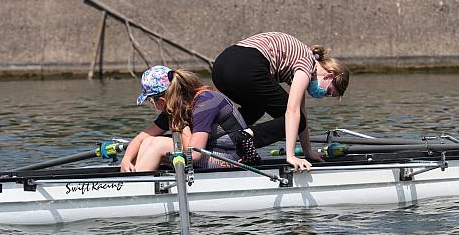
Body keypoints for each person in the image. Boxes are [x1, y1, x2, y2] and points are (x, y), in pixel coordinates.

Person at [212, 32, 350, 171]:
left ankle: (216, 136)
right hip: (246, 65)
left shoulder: (302, 61)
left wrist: (308, 152)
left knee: (256, 108)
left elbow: (301, 112)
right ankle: (245, 136)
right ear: (329, 76)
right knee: (295, 118)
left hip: (220, 67)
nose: (323, 96)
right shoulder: (308, 63)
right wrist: (291, 156)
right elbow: (292, 112)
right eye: (328, 92)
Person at [120, 66, 254, 172]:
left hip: (231, 159)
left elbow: (193, 154)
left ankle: (135, 187)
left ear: (161, 100)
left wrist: (180, 124)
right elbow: (140, 138)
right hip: (207, 152)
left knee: (158, 144)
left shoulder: (205, 103)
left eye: (150, 101)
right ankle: (134, 176)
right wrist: (126, 160)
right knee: (149, 140)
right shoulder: (176, 107)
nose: (151, 105)